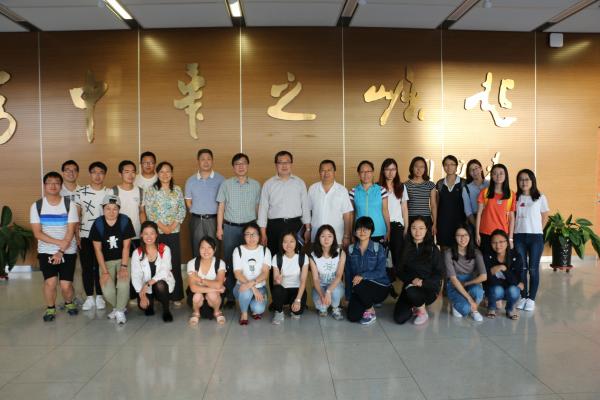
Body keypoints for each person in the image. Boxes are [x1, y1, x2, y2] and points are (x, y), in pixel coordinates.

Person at [258, 150, 310, 301]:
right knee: (275, 260)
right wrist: (263, 232)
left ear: (291, 164)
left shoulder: (299, 183)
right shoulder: (268, 184)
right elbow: (263, 209)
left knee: (296, 261)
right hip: (274, 226)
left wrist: (307, 228)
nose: (284, 165)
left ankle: (298, 298)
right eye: (280, 162)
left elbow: (305, 207)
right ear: (276, 165)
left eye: (287, 162)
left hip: (295, 225)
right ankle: (277, 300)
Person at [30, 172, 79, 321]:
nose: (53, 185)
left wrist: (61, 251)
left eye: (56, 182)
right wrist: (58, 244)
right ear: (44, 185)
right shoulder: (37, 206)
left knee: (65, 285)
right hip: (46, 251)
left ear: (61, 186)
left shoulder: (69, 205)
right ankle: (50, 308)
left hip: (68, 250)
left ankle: (69, 302)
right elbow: (37, 233)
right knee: (50, 282)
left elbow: (70, 231)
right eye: (49, 182)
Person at [216, 153, 261, 307]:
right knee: (229, 262)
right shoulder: (226, 184)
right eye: (237, 164)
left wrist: (259, 230)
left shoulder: (256, 185)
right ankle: (230, 296)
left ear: (248, 165)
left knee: (250, 261)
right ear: (233, 167)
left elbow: (258, 208)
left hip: (250, 228)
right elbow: (221, 207)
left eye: (243, 163)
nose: (241, 166)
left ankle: (251, 292)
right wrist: (219, 228)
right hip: (230, 228)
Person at [143, 161, 186, 305]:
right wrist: (162, 227)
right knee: (158, 263)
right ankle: (159, 295)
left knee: (174, 263)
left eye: (168, 171)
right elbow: (150, 211)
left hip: (174, 232)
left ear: (172, 173)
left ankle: (176, 296)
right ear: (157, 173)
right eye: (161, 171)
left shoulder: (177, 190)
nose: (165, 174)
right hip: (157, 233)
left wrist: (172, 227)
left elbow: (182, 210)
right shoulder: (151, 190)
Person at [89, 195, 136, 324]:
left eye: (115, 208)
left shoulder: (125, 221)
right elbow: (97, 250)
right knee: (107, 289)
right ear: (103, 209)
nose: (111, 212)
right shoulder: (98, 223)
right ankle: (119, 308)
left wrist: (124, 267)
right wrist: (104, 272)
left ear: (119, 209)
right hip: (106, 262)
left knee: (123, 284)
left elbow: (126, 247)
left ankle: (119, 311)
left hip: (123, 259)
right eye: (108, 208)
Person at [393, 216, 443, 325]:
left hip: (428, 288)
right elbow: (399, 270)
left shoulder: (433, 249)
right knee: (399, 318)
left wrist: (423, 282)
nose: (417, 232)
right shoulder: (405, 248)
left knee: (413, 291)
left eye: (421, 228)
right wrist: (412, 279)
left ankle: (422, 312)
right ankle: (416, 306)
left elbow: (439, 273)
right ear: (410, 230)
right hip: (409, 286)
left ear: (426, 230)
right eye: (414, 228)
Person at [76, 161, 111, 311]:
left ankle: (100, 296)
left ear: (105, 175)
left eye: (101, 172)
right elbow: (77, 216)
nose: (97, 175)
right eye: (94, 172)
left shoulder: (109, 192)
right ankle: (90, 297)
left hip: (103, 236)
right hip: (85, 235)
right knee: (87, 267)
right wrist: (77, 236)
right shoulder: (81, 192)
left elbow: (113, 214)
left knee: (101, 267)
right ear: (90, 174)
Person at [513, 169, 549, 312]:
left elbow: (545, 215)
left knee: (533, 269)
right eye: (521, 179)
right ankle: (523, 297)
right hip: (519, 236)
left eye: (527, 179)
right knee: (521, 268)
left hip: (535, 237)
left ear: (532, 181)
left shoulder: (540, 197)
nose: (524, 182)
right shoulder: (515, 197)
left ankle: (531, 299)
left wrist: (539, 230)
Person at [345, 216, 390, 325]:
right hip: (359, 288)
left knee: (359, 284)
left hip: (379, 287)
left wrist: (363, 276)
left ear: (371, 231)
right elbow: (348, 274)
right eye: (359, 229)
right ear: (355, 231)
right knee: (352, 317)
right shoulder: (351, 250)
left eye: (366, 229)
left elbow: (381, 272)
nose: (362, 232)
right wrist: (348, 296)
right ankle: (366, 303)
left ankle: (370, 310)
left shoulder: (378, 248)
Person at [131, 221, 175, 322]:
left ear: (156, 234)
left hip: (161, 286)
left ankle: (166, 310)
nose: (149, 237)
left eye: (152, 233)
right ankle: (150, 302)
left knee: (160, 285)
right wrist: (141, 295)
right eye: (146, 233)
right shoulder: (137, 253)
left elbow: (165, 270)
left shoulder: (165, 249)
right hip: (146, 288)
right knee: (145, 308)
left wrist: (148, 284)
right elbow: (136, 275)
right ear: (141, 235)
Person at [185, 149, 225, 257]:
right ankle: (198, 268)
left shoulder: (221, 180)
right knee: (197, 249)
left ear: (212, 161)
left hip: (215, 220)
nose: (206, 162)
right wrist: (199, 212)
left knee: (215, 249)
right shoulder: (190, 180)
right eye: (203, 159)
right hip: (197, 220)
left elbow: (223, 203)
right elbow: (188, 202)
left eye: (209, 159)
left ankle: (215, 268)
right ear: (198, 161)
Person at [307, 159, 353, 249]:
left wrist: (347, 235)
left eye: (329, 170)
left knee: (337, 258)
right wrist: (308, 230)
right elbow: (307, 212)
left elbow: (347, 215)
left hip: (337, 238)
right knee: (315, 258)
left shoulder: (342, 190)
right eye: (323, 170)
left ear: (334, 172)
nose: (326, 173)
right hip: (316, 236)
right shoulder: (312, 189)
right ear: (319, 172)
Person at [444, 224, 486, 322]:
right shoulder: (448, 253)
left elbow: (484, 276)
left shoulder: (476, 252)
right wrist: (470, 299)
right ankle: (459, 304)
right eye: (459, 235)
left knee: (478, 292)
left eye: (465, 235)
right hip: (455, 285)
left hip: (470, 282)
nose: (462, 238)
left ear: (470, 236)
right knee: (464, 309)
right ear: (454, 237)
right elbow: (453, 279)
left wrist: (466, 283)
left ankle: (474, 310)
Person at [232, 222, 271, 325]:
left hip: (260, 288)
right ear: (244, 236)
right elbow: (237, 274)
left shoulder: (265, 251)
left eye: (254, 234)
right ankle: (244, 313)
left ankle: (249, 303)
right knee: (246, 291)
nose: (251, 237)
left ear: (259, 235)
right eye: (248, 234)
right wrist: (252, 287)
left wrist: (252, 284)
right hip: (241, 287)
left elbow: (265, 273)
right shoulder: (238, 250)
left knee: (258, 309)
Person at [484, 229, 526, 320]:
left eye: (501, 242)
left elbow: (518, 279)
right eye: (494, 242)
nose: (497, 245)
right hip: (495, 289)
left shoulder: (516, 256)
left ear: (507, 242)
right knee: (496, 289)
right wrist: (512, 281)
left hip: (509, 289)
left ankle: (510, 309)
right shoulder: (487, 256)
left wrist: (503, 269)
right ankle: (491, 308)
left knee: (514, 290)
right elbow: (486, 279)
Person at [378, 158, 409, 281]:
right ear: (383, 171)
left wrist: (406, 227)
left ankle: (402, 283)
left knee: (398, 256)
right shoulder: (377, 187)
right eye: (387, 169)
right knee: (382, 257)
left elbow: (404, 208)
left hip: (397, 226)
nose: (391, 172)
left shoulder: (401, 187)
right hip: (381, 225)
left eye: (393, 169)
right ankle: (385, 283)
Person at [185, 236, 226, 325]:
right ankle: (196, 312)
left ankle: (217, 311)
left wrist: (200, 280)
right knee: (197, 295)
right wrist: (215, 288)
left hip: (215, 298)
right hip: (197, 295)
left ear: (214, 249)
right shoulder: (192, 263)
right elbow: (193, 288)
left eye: (209, 247)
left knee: (212, 295)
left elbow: (219, 284)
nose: (206, 251)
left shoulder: (220, 263)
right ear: (199, 249)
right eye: (203, 247)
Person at [475, 163, 516, 253]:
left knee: (501, 259)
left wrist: (510, 238)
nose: (498, 176)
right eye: (495, 173)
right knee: (486, 259)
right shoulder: (485, 192)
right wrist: (477, 234)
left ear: (506, 175)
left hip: (502, 234)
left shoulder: (511, 194)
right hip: (485, 233)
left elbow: (511, 218)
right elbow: (479, 214)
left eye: (501, 173)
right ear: (491, 176)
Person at [271, 231, 309, 324]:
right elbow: (275, 282)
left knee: (297, 313)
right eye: (285, 242)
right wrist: (277, 280)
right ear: (281, 243)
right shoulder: (277, 257)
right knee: (276, 289)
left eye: (291, 241)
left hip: (297, 290)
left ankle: (294, 306)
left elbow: (303, 281)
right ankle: (279, 312)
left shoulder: (303, 257)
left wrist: (298, 300)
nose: (288, 245)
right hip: (283, 290)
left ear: (296, 242)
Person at [60, 160, 84, 305]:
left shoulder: (83, 191)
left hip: (81, 234)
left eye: (74, 170)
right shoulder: (57, 191)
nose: (71, 173)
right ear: (63, 173)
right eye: (67, 170)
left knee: (79, 267)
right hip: (62, 235)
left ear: (78, 173)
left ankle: (79, 296)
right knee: (65, 268)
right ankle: (67, 298)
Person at [309, 224, 346, 320]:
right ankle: (323, 308)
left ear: (334, 238)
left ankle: (335, 308)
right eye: (323, 236)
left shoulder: (341, 253)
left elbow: (338, 276)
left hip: (335, 285)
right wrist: (322, 295)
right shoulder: (313, 255)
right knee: (321, 306)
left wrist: (328, 292)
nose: (326, 239)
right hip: (320, 285)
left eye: (329, 236)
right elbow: (315, 279)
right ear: (318, 238)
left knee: (335, 292)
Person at [350, 160, 390, 243]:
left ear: (372, 173)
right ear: (359, 174)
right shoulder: (353, 191)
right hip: (360, 233)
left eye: (368, 171)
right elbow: (352, 214)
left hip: (379, 231)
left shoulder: (381, 190)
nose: (366, 174)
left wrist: (388, 230)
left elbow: (385, 211)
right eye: (362, 172)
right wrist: (351, 232)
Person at [435, 155, 466, 248]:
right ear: (443, 167)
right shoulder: (440, 183)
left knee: (459, 249)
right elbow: (436, 205)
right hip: (443, 223)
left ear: (456, 166)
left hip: (460, 222)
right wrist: (435, 223)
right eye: (446, 164)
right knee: (444, 249)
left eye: (452, 164)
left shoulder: (463, 183)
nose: (449, 167)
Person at [405, 156, 437, 234]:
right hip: (411, 218)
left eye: (422, 167)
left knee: (427, 241)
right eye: (416, 166)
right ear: (412, 168)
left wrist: (435, 223)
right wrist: (405, 224)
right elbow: (404, 206)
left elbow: (433, 205)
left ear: (425, 169)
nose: (419, 169)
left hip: (426, 219)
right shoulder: (405, 185)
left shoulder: (430, 185)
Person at [462, 159, 489, 228]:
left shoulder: (490, 184)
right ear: (469, 173)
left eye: (476, 168)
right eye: (471, 170)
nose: (474, 171)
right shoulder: (466, 188)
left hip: (490, 217)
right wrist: (476, 226)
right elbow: (468, 211)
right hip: (475, 218)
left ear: (481, 169)